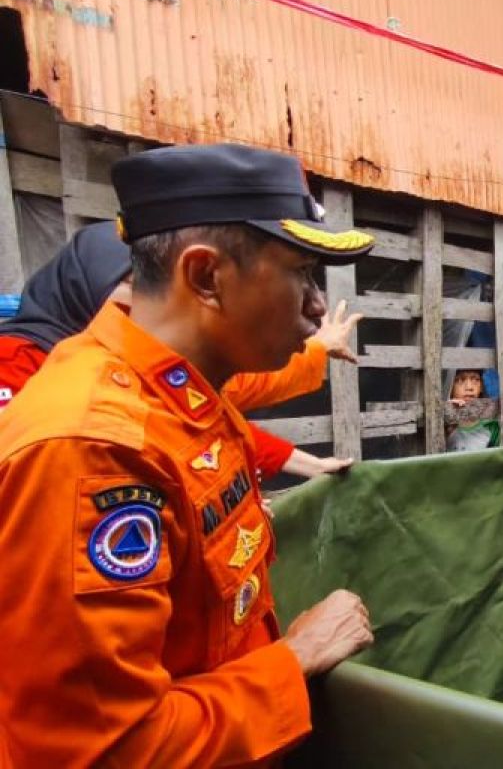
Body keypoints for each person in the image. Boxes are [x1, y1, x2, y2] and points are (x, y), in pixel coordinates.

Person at [0, 143, 379, 765]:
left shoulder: (184, 389)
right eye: (301, 274)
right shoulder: (92, 449)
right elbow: (108, 751)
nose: (316, 307)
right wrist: (294, 660)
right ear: (206, 277)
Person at [0, 221, 361, 481]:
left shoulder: (149, 366)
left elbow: (210, 412)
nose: (152, 305)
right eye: (139, 289)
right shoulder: (32, 383)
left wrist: (316, 350)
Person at [446, 368, 500, 452]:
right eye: (460, 380)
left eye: (475, 380)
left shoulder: (491, 426)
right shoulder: (445, 425)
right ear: (450, 385)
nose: (469, 387)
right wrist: (448, 412)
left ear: (482, 386)